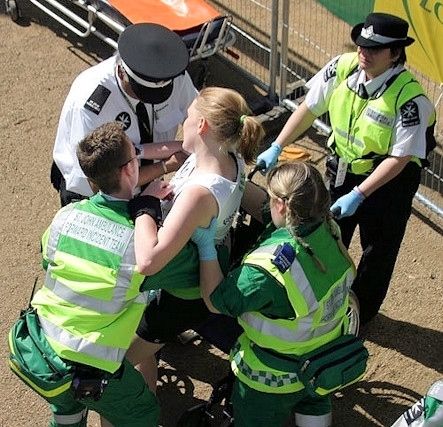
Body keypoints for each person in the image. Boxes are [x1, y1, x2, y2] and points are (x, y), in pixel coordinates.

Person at [256, 12, 436, 326]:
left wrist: (359, 193)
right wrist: (278, 145)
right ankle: (320, 298)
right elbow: (309, 108)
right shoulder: (343, 67)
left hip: (388, 181)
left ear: (395, 54)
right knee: (324, 232)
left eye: (373, 49)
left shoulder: (410, 100)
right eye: (361, 45)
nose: (363, 52)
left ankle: (358, 317)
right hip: (343, 168)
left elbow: (400, 158)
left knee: (377, 251)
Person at [8, 122, 173, 427]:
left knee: (66, 408)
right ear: (128, 171)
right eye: (135, 156)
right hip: (88, 365)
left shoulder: (66, 216)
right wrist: (149, 211)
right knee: (142, 413)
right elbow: (179, 280)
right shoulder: (137, 242)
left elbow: (50, 262)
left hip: (41, 348)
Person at [191, 161, 358, 427]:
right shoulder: (328, 229)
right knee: (313, 401)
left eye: (271, 200)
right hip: (322, 360)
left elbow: (215, 301)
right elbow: (266, 211)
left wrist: (207, 247)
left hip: (272, 379)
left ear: (281, 205)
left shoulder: (267, 270)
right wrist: (235, 180)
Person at [124, 86, 265, 393]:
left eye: (187, 117)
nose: (183, 123)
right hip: (202, 271)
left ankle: (142, 412)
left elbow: (149, 260)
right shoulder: (230, 159)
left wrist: (144, 207)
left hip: (180, 292)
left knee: (122, 358)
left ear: (202, 126)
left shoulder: (199, 194)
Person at [51, 22, 198, 206]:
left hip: (145, 184)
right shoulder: (91, 104)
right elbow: (104, 183)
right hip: (97, 196)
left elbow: (200, 117)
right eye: (142, 92)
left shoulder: (174, 77)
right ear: (121, 72)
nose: (150, 100)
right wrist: (164, 166)